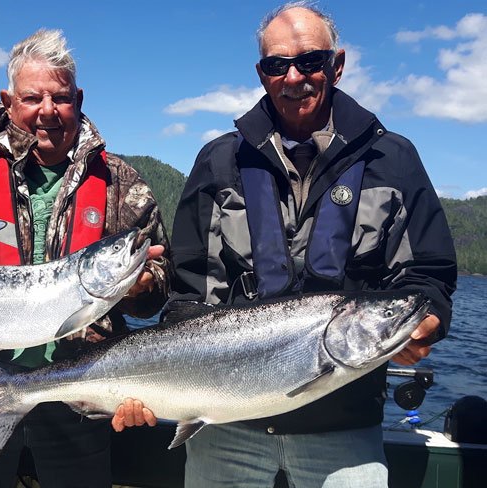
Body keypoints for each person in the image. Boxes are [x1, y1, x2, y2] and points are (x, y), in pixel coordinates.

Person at [165, 2, 457, 487]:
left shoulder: (394, 159)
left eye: (310, 61)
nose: (294, 76)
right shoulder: (218, 161)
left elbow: (429, 277)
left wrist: (428, 323)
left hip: (345, 425)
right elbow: (186, 291)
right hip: (224, 421)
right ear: (263, 74)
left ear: (336, 65)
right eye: (278, 65)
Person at [0, 28, 171, 487]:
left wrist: (142, 286)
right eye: (32, 98)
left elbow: (157, 289)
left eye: (60, 98)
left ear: (78, 99)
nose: (47, 111)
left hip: (82, 392)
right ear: (7, 99)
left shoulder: (123, 183)